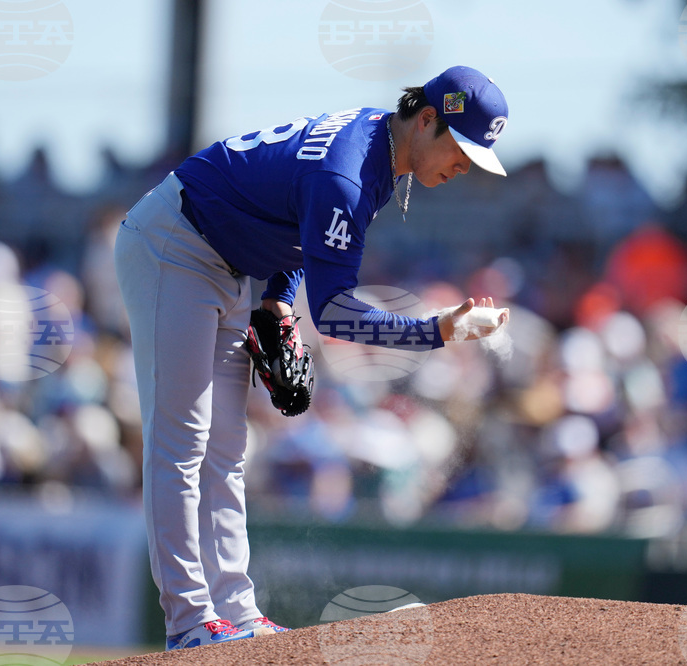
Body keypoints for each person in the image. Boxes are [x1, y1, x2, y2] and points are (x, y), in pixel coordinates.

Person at [114, 65, 510, 650]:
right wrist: (437, 331)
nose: (464, 168)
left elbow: (299, 227)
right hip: (174, 246)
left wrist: (276, 298)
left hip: (226, 264)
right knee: (183, 441)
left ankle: (236, 611)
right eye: (462, 149)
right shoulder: (350, 173)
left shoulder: (376, 146)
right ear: (428, 118)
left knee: (225, 447)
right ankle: (189, 621)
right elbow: (335, 315)